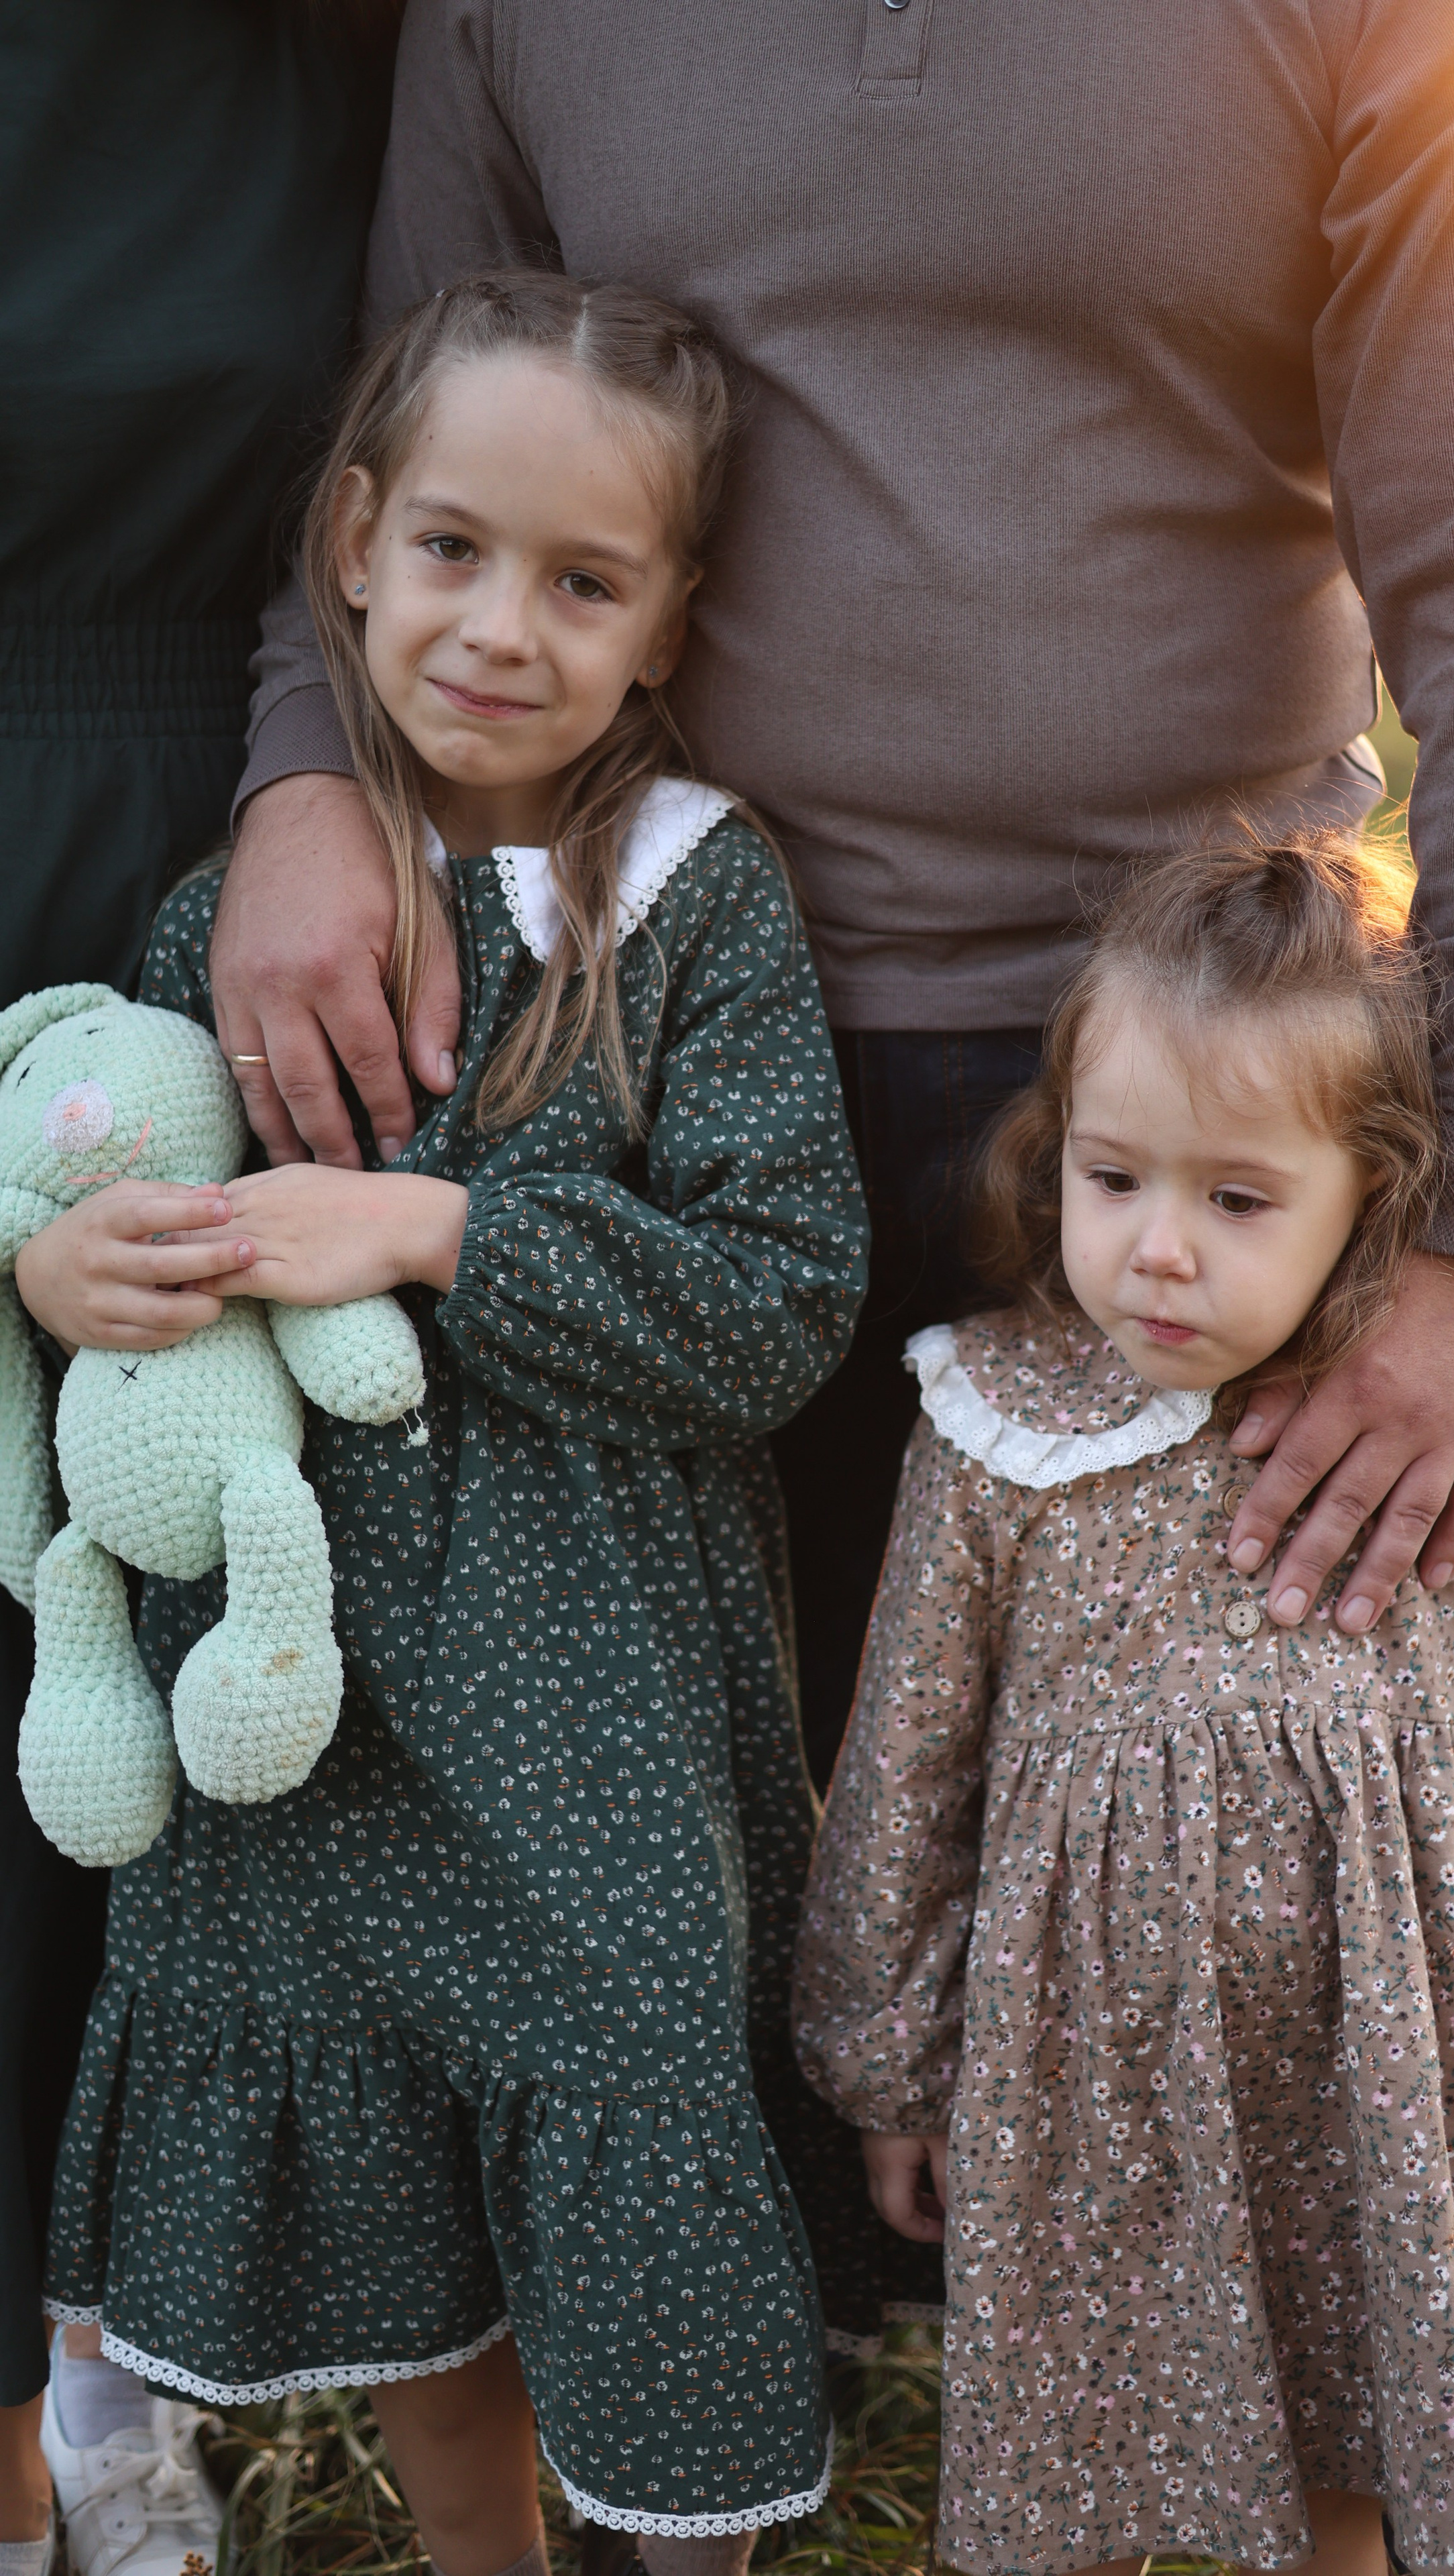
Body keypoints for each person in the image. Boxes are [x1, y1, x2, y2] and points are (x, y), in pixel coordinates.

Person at [205, 0, 1454, 2432]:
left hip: (1189, 1068)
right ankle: (784, 2382)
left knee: (1312, 1785)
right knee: (690, 1815)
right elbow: (399, 431)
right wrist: (297, 784)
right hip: (658, 1039)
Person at [24, 272, 866, 2572]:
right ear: (358, 546)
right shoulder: (248, 911)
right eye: (459, 552)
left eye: (586, 582)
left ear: (671, 619)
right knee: (396, 2172)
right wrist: (58, 1273)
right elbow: (129, 1206)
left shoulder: (695, 903)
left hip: (587, 1717)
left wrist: (431, 1234)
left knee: (624, 2141)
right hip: (320, 1710)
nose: (505, 627)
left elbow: (778, 1303)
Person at [793, 833, 1454, 2576]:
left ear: (1372, 1197)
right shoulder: (998, 1430)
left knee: (1350, 2438)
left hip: (1371, 2067)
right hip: (1080, 2078)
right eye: (1114, 1180)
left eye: (1237, 1202)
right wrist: (890, 2066)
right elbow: (907, 1762)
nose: (1159, 1251)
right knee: (1080, 2443)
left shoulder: (1433, 1443)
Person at [0, 7, 392, 2572]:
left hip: (244, 842)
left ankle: (124, 2358)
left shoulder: (356, 51)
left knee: (203, 1622)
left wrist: (310, 767)